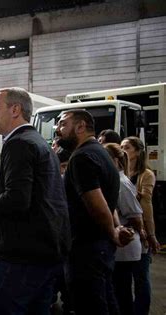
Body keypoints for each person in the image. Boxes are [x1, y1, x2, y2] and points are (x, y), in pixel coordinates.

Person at [0, 88, 71, 315]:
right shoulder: (39, 142)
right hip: (46, 254)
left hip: (20, 256)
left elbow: (17, 199)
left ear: (15, 110)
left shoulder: (18, 143)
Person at [55, 109, 133, 315]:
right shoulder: (101, 154)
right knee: (105, 301)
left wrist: (114, 233)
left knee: (90, 306)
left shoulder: (82, 157)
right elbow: (108, 203)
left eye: (63, 124)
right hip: (99, 248)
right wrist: (115, 229)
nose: (57, 129)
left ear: (81, 127)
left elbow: (98, 204)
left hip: (86, 250)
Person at [121, 136, 161, 315]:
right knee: (122, 279)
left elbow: (146, 204)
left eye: (127, 147)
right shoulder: (122, 172)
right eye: (121, 147)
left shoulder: (146, 174)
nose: (123, 151)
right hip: (125, 229)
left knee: (141, 277)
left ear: (137, 152)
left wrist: (150, 233)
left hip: (141, 227)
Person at [104, 143, 143, 315]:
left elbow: (136, 217)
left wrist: (137, 232)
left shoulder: (121, 183)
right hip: (119, 245)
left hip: (125, 245)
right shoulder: (115, 180)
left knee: (122, 294)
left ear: (116, 161)